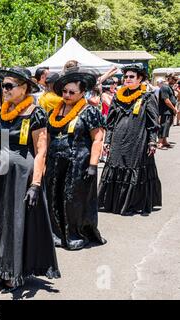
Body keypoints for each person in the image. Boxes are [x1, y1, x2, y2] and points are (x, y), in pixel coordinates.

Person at [0, 67, 60, 292]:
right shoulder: (4, 111)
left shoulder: (36, 113)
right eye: (2, 86)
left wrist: (36, 184)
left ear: (24, 88)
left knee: (15, 222)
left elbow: (41, 150)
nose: (3, 89)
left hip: (21, 175)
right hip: (0, 171)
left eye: (8, 86)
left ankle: (14, 272)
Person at [45, 67, 107, 250]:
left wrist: (93, 165)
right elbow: (47, 136)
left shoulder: (89, 111)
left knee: (73, 200)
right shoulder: (55, 111)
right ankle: (56, 234)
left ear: (82, 93)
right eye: (64, 91)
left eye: (72, 92)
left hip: (79, 163)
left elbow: (98, 138)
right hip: (55, 162)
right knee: (54, 197)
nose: (67, 95)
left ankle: (75, 234)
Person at [98, 63, 162, 215]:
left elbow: (152, 122)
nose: (127, 79)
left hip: (138, 140)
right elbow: (111, 122)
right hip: (118, 140)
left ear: (140, 79)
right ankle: (113, 203)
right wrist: (107, 140)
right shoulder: (117, 96)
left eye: (131, 77)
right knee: (115, 165)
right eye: (125, 76)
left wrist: (152, 141)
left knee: (134, 169)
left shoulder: (147, 97)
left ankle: (131, 203)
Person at [157, 73, 178, 148]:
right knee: (163, 125)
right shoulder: (164, 87)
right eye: (174, 79)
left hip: (169, 110)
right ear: (169, 78)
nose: (176, 81)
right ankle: (160, 142)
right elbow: (166, 100)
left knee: (167, 126)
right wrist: (174, 108)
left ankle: (164, 141)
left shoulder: (169, 87)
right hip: (165, 110)